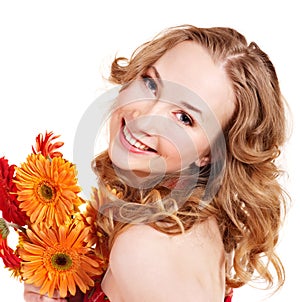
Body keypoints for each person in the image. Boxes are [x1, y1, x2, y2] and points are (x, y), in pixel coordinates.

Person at [23, 24, 288, 301]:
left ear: (210, 153)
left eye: (184, 117)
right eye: (150, 83)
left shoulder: (142, 250)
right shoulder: (197, 223)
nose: (144, 118)